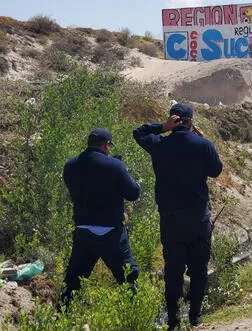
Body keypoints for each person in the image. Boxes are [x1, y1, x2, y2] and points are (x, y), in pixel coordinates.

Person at [133, 103, 223, 329]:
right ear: (191, 121)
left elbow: (139, 133)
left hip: (171, 219)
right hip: (198, 218)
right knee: (199, 269)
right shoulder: (203, 144)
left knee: (173, 271)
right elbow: (216, 171)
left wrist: (162, 127)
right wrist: (204, 140)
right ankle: (195, 316)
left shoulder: (160, 144)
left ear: (173, 121)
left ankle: (173, 321)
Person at [61, 128, 141, 306]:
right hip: (112, 233)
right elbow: (133, 193)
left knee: (72, 283)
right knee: (129, 279)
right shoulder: (114, 165)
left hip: (83, 232)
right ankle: (136, 318)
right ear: (106, 145)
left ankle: (59, 319)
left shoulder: (70, 165)